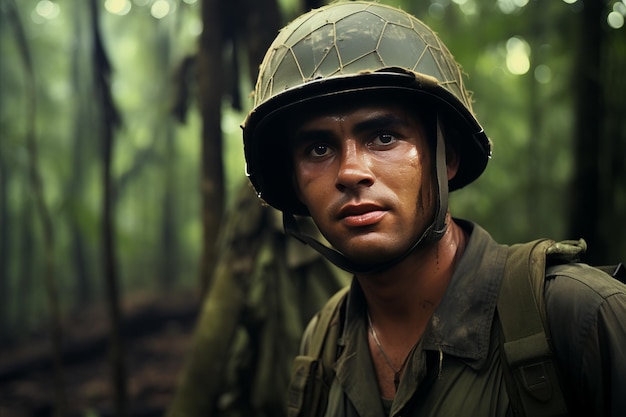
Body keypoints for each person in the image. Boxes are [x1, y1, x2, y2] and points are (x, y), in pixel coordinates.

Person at [241, 2, 626, 416]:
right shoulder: (322, 342)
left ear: (446, 159)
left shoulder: (581, 315)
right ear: (295, 184)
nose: (351, 172)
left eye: (384, 137)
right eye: (318, 148)